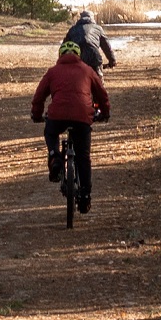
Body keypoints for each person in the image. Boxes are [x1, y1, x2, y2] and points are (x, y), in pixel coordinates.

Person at [30, 41, 109, 214]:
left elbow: (39, 97)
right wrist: (105, 113)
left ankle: (55, 157)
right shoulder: (88, 70)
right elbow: (102, 94)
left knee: (50, 132)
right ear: (78, 55)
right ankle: (86, 195)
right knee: (83, 157)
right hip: (83, 117)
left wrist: (36, 115)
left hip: (57, 117)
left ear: (60, 56)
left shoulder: (52, 72)